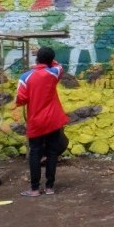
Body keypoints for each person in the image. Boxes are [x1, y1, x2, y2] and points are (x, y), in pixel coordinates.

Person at [15, 46, 69, 197]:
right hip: (52, 120)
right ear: (51, 60)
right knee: (52, 153)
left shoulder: (25, 77)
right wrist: (47, 61)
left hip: (36, 121)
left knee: (35, 153)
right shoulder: (54, 72)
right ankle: (50, 187)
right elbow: (58, 66)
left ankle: (34, 189)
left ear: (36, 58)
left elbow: (20, 100)